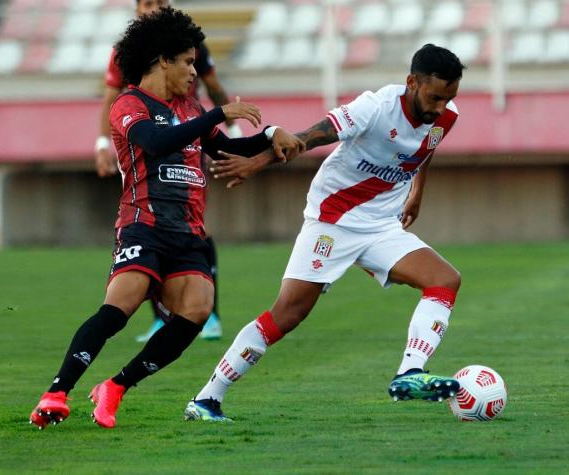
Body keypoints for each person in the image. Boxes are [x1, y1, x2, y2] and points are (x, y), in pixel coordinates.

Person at [29, 7, 304, 430]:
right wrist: (219, 114)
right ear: (163, 60)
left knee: (197, 309)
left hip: (188, 231)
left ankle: (116, 387)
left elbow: (229, 149)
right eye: (188, 61)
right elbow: (155, 142)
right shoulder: (129, 103)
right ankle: (56, 393)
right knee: (121, 305)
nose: (194, 71)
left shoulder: (191, 108)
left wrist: (272, 135)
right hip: (143, 223)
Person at [184, 44, 466, 422]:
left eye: (448, 98)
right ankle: (206, 399)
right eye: (434, 97)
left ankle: (409, 373)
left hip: (382, 225)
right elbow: (314, 135)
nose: (439, 107)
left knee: (445, 280)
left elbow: (425, 149)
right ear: (411, 82)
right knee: (287, 314)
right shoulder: (376, 107)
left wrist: (416, 191)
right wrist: (258, 161)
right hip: (332, 221)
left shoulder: (446, 115)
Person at [95, 0, 238, 342]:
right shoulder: (125, 52)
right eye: (148, 2)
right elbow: (111, 95)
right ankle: (161, 311)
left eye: (160, 2)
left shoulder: (188, 43)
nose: (154, 7)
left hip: (189, 131)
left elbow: (214, 85)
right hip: (146, 132)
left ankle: (209, 313)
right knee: (145, 219)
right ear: (137, 8)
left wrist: (230, 128)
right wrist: (102, 142)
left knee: (191, 221)